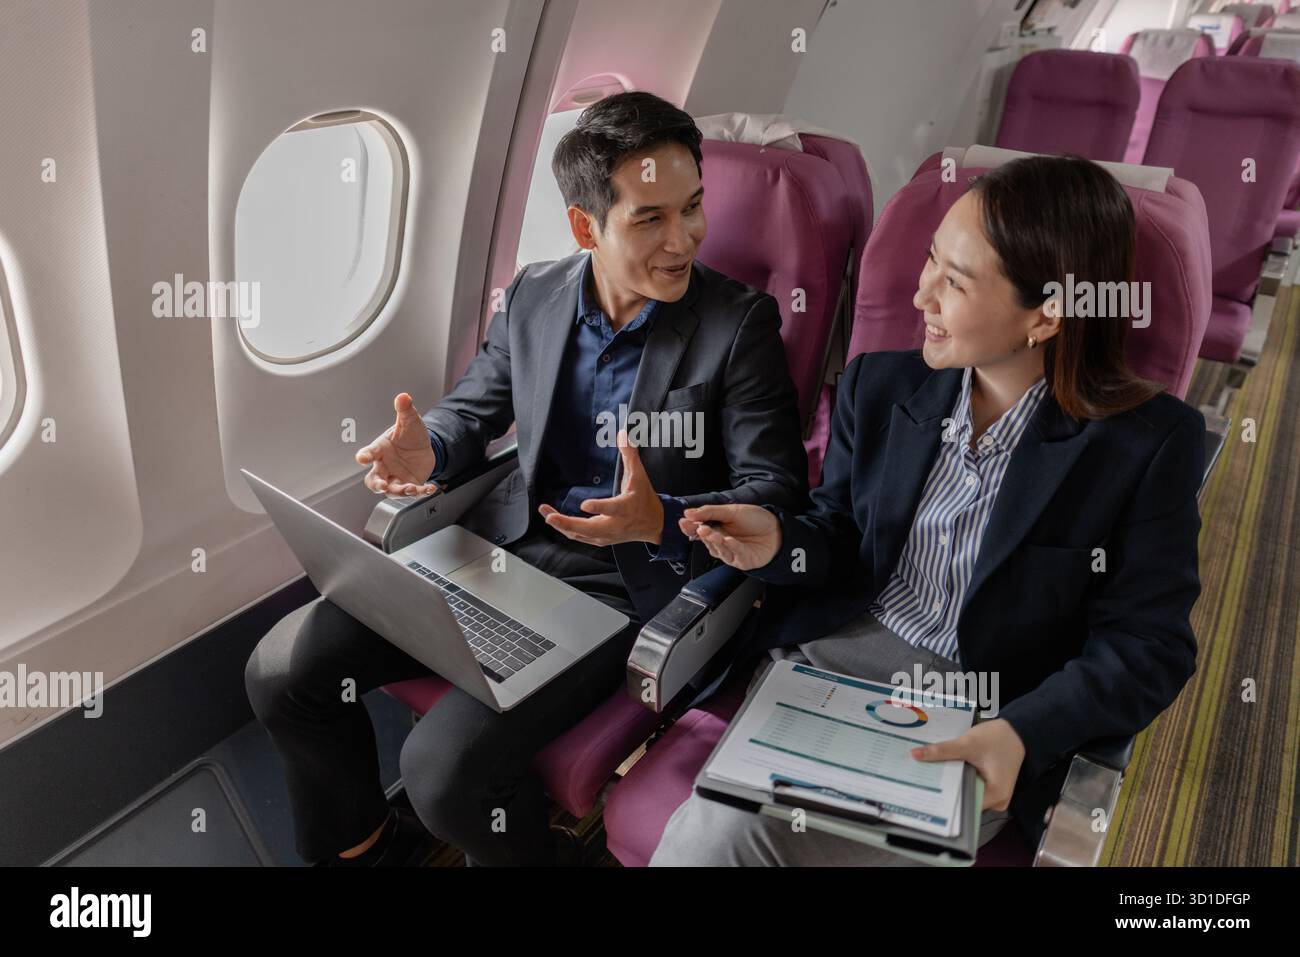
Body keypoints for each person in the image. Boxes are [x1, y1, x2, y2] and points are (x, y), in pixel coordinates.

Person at [243, 91, 809, 866]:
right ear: (586, 227)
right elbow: (471, 413)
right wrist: (430, 450)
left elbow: (775, 494)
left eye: (693, 208)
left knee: (441, 774)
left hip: (616, 589)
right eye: (650, 218)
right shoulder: (535, 296)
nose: (684, 240)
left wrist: (662, 515)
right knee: (282, 672)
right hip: (496, 551)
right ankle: (367, 850)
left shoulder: (738, 326)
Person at [651, 155, 1204, 866]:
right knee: (722, 836)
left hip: (977, 713)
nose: (920, 296)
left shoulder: (1146, 445)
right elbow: (841, 536)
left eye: (955, 281)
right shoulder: (879, 387)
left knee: (727, 842)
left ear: (1045, 315)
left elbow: (1149, 644)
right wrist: (779, 541)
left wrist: (1024, 731)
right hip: (826, 671)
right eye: (929, 262)